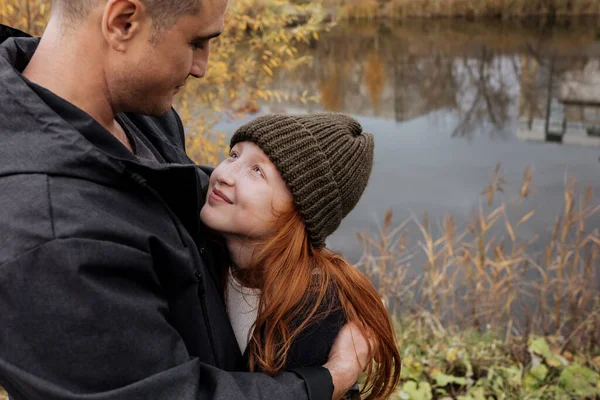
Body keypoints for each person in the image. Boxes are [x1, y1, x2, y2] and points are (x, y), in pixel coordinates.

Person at [0, 0, 372, 399]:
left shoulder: (138, 111)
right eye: (196, 42)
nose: (202, 67)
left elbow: (184, 197)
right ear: (123, 22)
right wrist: (329, 379)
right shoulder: (50, 239)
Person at [200, 113, 402, 399]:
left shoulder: (316, 316)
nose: (222, 174)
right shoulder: (199, 255)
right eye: (234, 155)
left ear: (301, 211)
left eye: (257, 171)